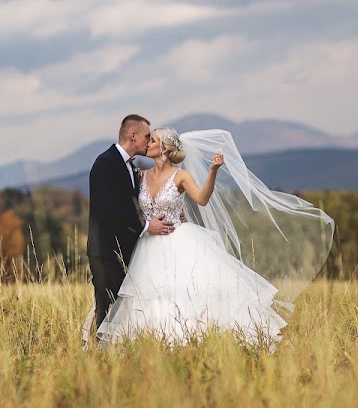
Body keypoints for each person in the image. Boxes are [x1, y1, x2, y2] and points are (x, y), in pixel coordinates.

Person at [96, 126, 335, 346]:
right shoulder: (141, 175)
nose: (148, 143)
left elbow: (201, 199)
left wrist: (213, 171)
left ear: (166, 149)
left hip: (178, 240)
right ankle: (153, 342)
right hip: (148, 246)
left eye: (154, 140)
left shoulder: (180, 176)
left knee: (185, 293)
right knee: (151, 296)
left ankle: (192, 340)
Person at [86, 114, 177, 340]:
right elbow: (109, 209)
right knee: (106, 305)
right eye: (147, 136)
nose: (149, 141)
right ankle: (97, 353)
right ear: (133, 135)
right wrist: (147, 226)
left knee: (122, 307)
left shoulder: (130, 166)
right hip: (105, 250)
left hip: (126, 250)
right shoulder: (105, 163)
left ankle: (114, 350)